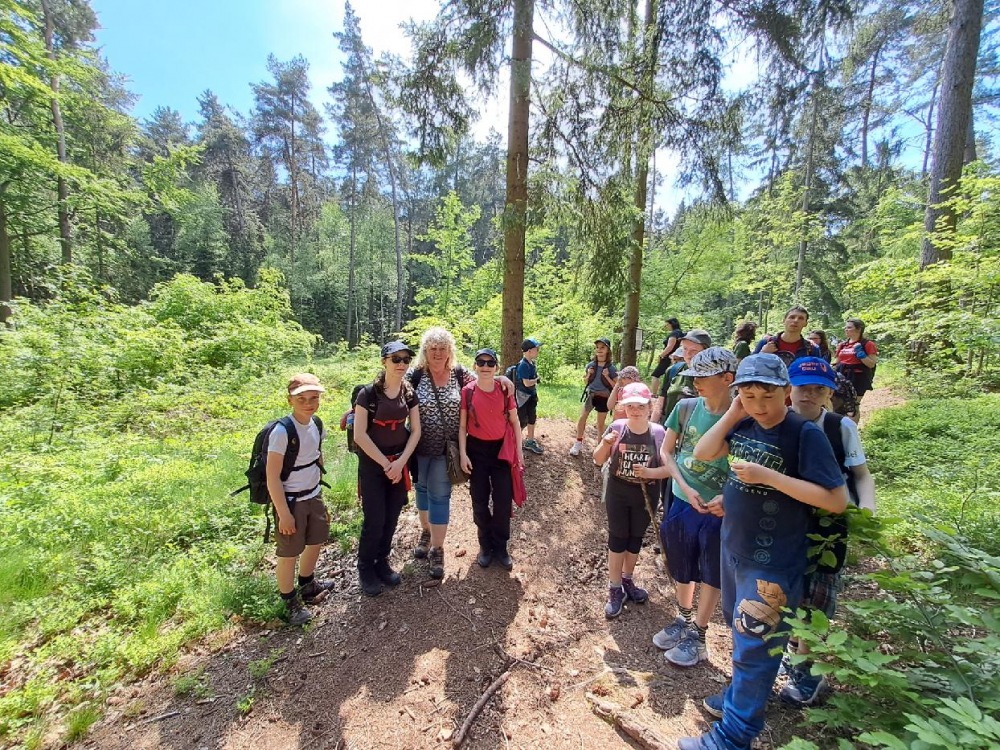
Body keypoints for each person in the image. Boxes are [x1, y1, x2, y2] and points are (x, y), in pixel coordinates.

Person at [679, 353, 847, 750]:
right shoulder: (744, 424)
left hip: (772, 562)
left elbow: (835, 499)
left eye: (767, 396)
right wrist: (733, 413)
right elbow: (703, 452)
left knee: (756, 646)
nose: (759, 405)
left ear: (786, 391)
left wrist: (769, 477)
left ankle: (733, 737)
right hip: (735, 548)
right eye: (749, 396)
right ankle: (741, 698)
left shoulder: (803, 433)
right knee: (742, 636)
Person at [783, 356, 876, 706]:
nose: (808, 395)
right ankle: (794, 650)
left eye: (817, 390)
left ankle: (807, 670)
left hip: (829, 524)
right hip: (787, 520)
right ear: (789, 389)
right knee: (790, 589)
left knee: (818, 596)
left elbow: (861, 474)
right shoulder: (777, 421)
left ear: (829, 394)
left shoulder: (840, 428)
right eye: (802, 388)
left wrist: (866, 511)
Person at [643, 348, 737, 667]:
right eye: (693, 376)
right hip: (682, 500)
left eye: (702, 377)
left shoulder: (742, 418)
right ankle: (683, 617)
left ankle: (699, 632)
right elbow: (667, 452)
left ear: (727, 378)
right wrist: (685, 487)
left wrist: (728, 497)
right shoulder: (685, 408)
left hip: (719, 509)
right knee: (681, 561)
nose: (695, 382)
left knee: (712, 569)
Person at [406, 328, 476, 580]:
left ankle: (437, 548)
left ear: (449, 351)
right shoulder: (415, 375)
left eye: (442, 348)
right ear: (425, 351)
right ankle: (426, 531)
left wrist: (505, 382)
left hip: (446, 450)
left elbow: (484, 385)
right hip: (416, 448)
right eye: (433, 348)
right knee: (421, 489)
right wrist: (357, 410)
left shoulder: (460, 374)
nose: (437, 353)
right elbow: (388, 392)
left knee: (439, 495)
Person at [353, 342, 422, 597]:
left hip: (399, 464)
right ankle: (365, 568)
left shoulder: (409, 393)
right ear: (384, 361)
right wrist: (386, 464)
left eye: (406, 359)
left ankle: (381, 562)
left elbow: (416, 430)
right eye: (396, 359)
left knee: (391, 516)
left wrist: (401, 462)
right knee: (375, 519)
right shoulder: (367, 394)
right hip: (373, 465)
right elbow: (360, 435)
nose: (402, 364)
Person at [267, 373, 335, 626]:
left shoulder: (316, 424)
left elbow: (316, 455)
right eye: (301, 399)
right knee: (289, 552)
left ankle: (307, 584)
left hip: (313, 495)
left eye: (313, 398)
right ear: (290, 400)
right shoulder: (281, 432)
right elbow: (272, 476)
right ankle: (289, 602)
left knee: (315, 540)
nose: (309, 403)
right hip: (291, 501)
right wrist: (283, 513)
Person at [592, 383, 665, 618]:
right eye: (630, 406)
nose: (635, 411)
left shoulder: (659, 433)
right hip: (618, 491)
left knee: (636, 538)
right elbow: (597, 459)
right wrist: (605, 443)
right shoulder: (617, 428)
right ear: (623, 407)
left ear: (649, 407)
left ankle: (627, 580)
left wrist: (650, 472)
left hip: (646, 493)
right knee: (618, 537)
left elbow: (669, 469)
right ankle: (615, 588)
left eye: (640, 406)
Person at [459, 348, 522, 570]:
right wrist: (463, 453)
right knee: (479, 498)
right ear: (475, 366)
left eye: (490, 363)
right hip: (476, 450)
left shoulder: (504, 390)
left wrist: (519, 452)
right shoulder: (467, 391)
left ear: (496, 367)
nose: (485, 367)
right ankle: (485, 545)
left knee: (503, 500)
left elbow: (515, 422)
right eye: (481, 362)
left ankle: (501, 547)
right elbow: (462, 426)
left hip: (501, 451)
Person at [569, 338, 618, 457]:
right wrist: (589, 374)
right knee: (582, 418)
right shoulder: (591, 365)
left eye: (602, 347)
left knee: (600, 424)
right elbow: (586, 381)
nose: (599, 350)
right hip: (591, 395)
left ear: (607, 350)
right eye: (597, 347)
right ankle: (578, 443)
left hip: (604, 397)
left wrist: (607, 376)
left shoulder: (611, 368)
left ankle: (600, 448)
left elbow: (616, 385)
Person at [652, 329, 711, 424]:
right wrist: (653, 428)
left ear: (706, 351)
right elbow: (660, 403)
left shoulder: (714, 376)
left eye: (694, 350)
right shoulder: (673, 370)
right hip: (668, 429)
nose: (688, 354)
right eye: (685, 349)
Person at [753, 306, 821, 366]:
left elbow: (819, 372)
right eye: (792, 317)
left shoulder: (811, 349)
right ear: (784, 320)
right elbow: (750, 368)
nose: (795, 320)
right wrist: (763, 354)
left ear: (805, 323)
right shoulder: (765, 343)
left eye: (801, 318)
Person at [835, 318, 878, 404]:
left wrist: (861, 353)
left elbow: (871, 364)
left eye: (849, 327)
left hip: (858, 377)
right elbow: (837, 362)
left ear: (859, 329)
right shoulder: (843, 345)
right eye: (845, 327)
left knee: (853, 404)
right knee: (839, 404)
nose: (846, 329)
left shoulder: (867, 344)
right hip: (842, 376)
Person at [516, 338, 544, 455]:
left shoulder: (531, 363)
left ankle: (530, 441)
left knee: (532, 418)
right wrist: (536, 380)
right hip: (523, 398)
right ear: (529, 351)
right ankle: (514, 441)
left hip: (531, 396)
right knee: (522, 421)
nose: (538, 351)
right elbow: (526, 383)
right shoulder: (523, 365)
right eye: (536, 349)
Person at [650, 318, 685, 393]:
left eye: (667, 324)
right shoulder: (680, 333)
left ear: (672, 324)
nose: (666, 326)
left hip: (669, 357)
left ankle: (654, 393)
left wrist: (661, 356)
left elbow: (670, 346)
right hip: (678, 357)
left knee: (656, 374)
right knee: (672, 375)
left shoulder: (674, 334)